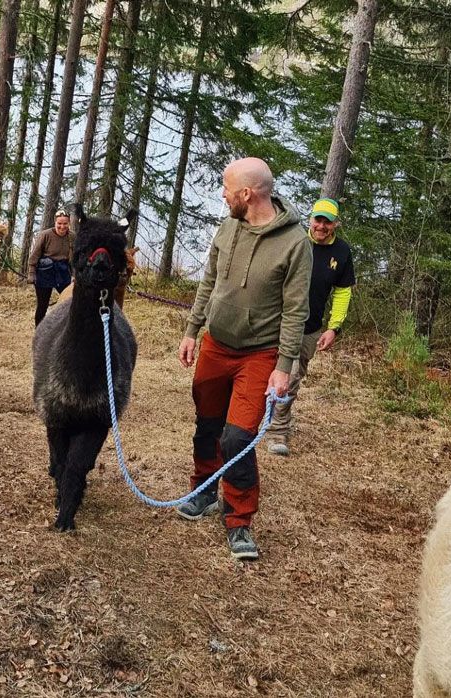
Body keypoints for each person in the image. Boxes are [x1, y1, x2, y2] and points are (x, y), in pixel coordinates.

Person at [175, 157, 313, 561]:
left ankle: (239, 520)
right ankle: (204, 490)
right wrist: (192, 330)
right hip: (216, 345)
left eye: (227, 188)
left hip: (259, 354)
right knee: (207, 423)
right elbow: (209, 281)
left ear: (247, 194)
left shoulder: (296, 244)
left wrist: (284, 367)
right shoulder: (228, 227)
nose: (223, 194)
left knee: (237, 437)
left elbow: (296, 310)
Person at [267, 198, 355, 456]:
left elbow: (342, 292)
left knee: (292, 378)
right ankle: (270, 426)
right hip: (277, 321)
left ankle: (276, 425)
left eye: (328, 222)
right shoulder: (295, 241)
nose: (321, 226)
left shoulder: (342, 252)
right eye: (318, 220)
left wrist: (334, 327)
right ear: (310, 219)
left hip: (310, 328)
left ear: (336, 224)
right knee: (273, 370)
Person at [27, 209, 73, 326]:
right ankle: (39, 330)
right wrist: (31, 273)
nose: (62, 226)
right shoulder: (45, 235)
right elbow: (34, 255)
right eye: (59, 223)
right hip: (45, 271)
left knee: (69, 301)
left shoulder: (72, 236)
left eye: (65, 223)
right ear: (55, 222)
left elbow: (75, 257)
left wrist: (75, 274)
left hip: (63, 271)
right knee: (42, 305)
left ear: (69, 223)